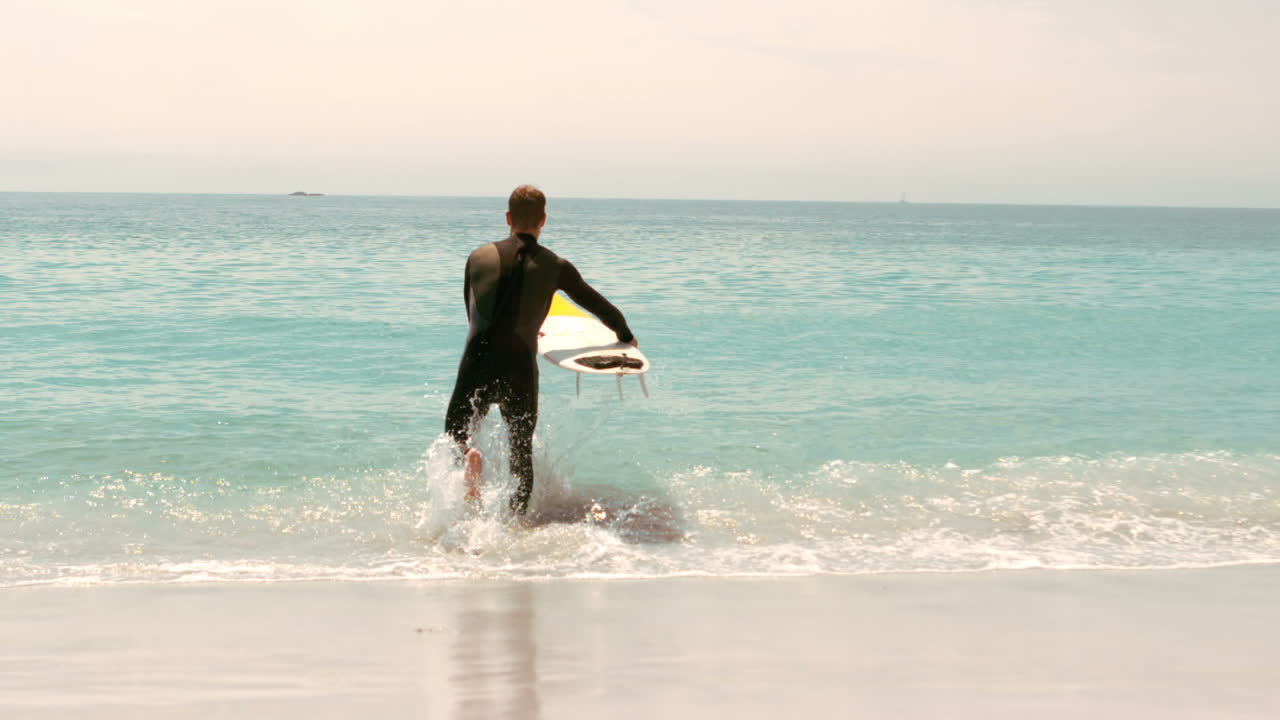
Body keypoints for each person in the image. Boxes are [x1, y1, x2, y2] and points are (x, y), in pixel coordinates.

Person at [444, 185, 636, 515]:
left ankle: (468, 468)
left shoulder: (478, 257)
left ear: (508, 217)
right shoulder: (555, 265)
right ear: (543, 221)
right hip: (518, 365)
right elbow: (598, 305)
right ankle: (516, 526)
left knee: (455, 438)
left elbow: (474, 312)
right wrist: (625, 335)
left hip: (477, 360)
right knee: (520, 455)